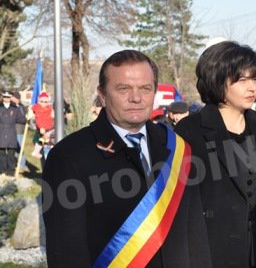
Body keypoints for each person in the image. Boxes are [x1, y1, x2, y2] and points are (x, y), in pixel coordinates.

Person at [42, 50, 211, 268]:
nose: (136, 98)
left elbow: (195, 233)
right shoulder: (68, 156)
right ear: (102, 94)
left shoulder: (176, 146)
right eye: (123, 89)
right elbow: (66, 251)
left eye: (145, 88)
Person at [175, 41, 256, 268]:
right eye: (242, 80)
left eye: (255, 79)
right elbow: (183, 208)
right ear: (217, 80)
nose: (252, 88)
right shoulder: (190, 131)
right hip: (213, 252)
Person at [0, 91, 26, 175]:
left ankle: (11, 171)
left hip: (11, 133)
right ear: (3, 98)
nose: (6, 99)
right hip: (1, 132)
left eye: (8, 97)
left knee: (11, 154)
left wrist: (27, 117)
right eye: (5, 97)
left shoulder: (15, 109)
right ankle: (3, 171)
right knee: (2, 154)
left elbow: (21, 120)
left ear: (10, 98)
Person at [31, 92, 54, 159]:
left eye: (45, 102)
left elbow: (53, 116)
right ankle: (36, 151)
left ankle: (38, 152)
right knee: (40, 141)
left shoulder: (50, 109)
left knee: (46, 143)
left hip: (49, 129)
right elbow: (37, 119)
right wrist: (41, 127)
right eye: (42, 101)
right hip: (42, 128)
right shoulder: (37, 108)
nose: (43, 103)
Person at [11, 91, 27, 169]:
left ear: (17, 99)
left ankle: (22, 164)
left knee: (19, 148)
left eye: (13, 97)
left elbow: (23, 118)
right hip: (11, 130)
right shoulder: (11, 106)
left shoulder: (21, 107)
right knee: (12, 149)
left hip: (19, 131)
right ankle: (14, 163)